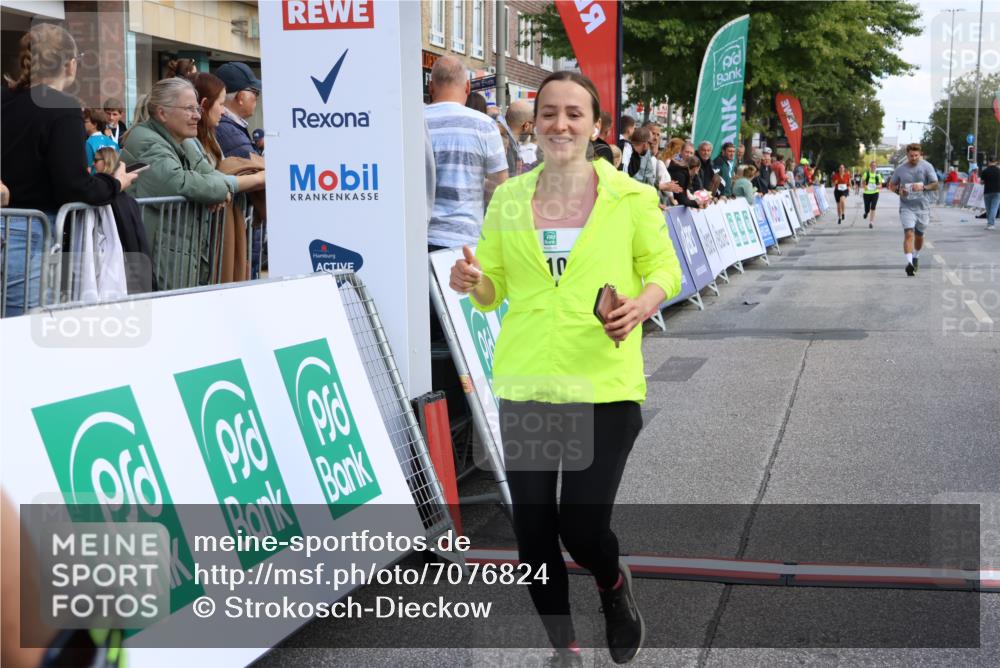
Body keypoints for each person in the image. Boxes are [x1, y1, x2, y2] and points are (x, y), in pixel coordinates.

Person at [449, 70, 681, 667]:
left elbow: (663, 269)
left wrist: (643, 303)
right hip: (529, 379)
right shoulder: (508, 199)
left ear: (596, 126)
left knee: (581, 529)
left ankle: (612, 585)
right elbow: (493, 284)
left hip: (602, 382)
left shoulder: (632, 197)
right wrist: (476, 282)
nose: (560, 124)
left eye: (574, 113)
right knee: (532, 532)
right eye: (549, 112)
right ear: (534, 124)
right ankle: (565, 648)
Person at [1, 23, 136, 316]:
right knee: (21, 329)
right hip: (30, 234)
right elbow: (73, 185)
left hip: (14, 224)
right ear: (70, 65)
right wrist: (116, 183)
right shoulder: (62, 107)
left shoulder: (5, 100)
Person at [119, 77, 236, 289]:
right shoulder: (145, 141)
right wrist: (218, 190)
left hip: (178, 252)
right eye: (189, 109)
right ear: (162, 113)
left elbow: (211, 174)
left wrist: (217, 189)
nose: (197, 116)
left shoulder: (185, 140)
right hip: (157, 256)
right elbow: (178, 182)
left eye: (197, 109)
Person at [424, 55, 508, 250]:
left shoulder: (413, 121)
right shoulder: (484, 125)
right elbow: (500, 184)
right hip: (466, 240)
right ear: (468, 88)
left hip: (419, 236)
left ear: (431, 87)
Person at [888, 143, 939, 276]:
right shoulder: (900, 169)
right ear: (907, 155)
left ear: (920, 154)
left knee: (919, 236)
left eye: (916, 155)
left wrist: (923, 187)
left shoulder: (927, 166)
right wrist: (900, 191)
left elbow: (935, 184)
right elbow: (892, 185)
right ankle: (909, 263)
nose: (914, 158)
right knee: (909, 233)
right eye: (911, 156)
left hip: (923, 207)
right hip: (907, 206)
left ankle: (915, 256)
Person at [213, 61, 262, 159]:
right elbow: (255, 169)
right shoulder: (229, 133)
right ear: (240, 97)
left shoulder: (227, 127)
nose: (257, 97)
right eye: (255, 92)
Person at [83, 108, 119, 172]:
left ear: (94, 124)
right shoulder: (113, 143)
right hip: (112, 179)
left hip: (96, 179)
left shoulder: (88, 143)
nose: (82, 124)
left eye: (85, 122)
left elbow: (88, 170)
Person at [860, 160, 884, 228]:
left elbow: (881, 186)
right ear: (870, 166)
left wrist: (876, 186)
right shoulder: (866, 174)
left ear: (876, 167)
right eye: (872, 166)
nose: (873, 167)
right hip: (867, 193)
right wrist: (865, 186)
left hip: (875, 193)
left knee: (873, 207)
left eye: (874, 166)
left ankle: (871, 222)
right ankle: (866, 213)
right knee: (867, 208)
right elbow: (862, 183)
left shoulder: (878, 175)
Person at [981, 155, 999, 231]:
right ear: (996, 162)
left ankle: (990, 223)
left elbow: (981, 182)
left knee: (988, 208)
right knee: (994, 208)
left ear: (989, 162)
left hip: (987, 192)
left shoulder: (985, 171)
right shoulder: (999, 170)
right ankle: (991, 224)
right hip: (998, 192)